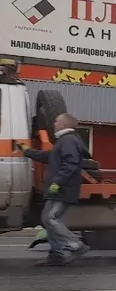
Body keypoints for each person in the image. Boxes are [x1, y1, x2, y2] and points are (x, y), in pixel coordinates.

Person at [21, 112, 90, 266]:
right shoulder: (64, 141)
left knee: (52, 218)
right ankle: (56, 254)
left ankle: (76, 245)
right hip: (58, 188)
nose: (54, 123)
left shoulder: (69, 140)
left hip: (63, 188)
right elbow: (49, 157)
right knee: (47, 219)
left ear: (64, 125)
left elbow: (71, 164)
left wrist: (57, 182)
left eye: (57, 121)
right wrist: (27, 151)